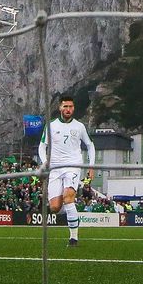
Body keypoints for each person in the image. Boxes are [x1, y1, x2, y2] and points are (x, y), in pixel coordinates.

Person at [38, 94, 96, 247]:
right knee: (55, 207)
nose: (68, 109)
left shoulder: (79, 126)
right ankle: (72, 212)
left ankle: (73, 239)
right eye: (65, 106)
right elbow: (42, 146)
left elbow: (90, 145)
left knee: (68, 198)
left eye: (70, 106)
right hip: (55, 168)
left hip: (73, 165)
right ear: (60, 108)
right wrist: (45, 163)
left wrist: (91, 165)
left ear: (74, 108)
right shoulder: (51, 125)